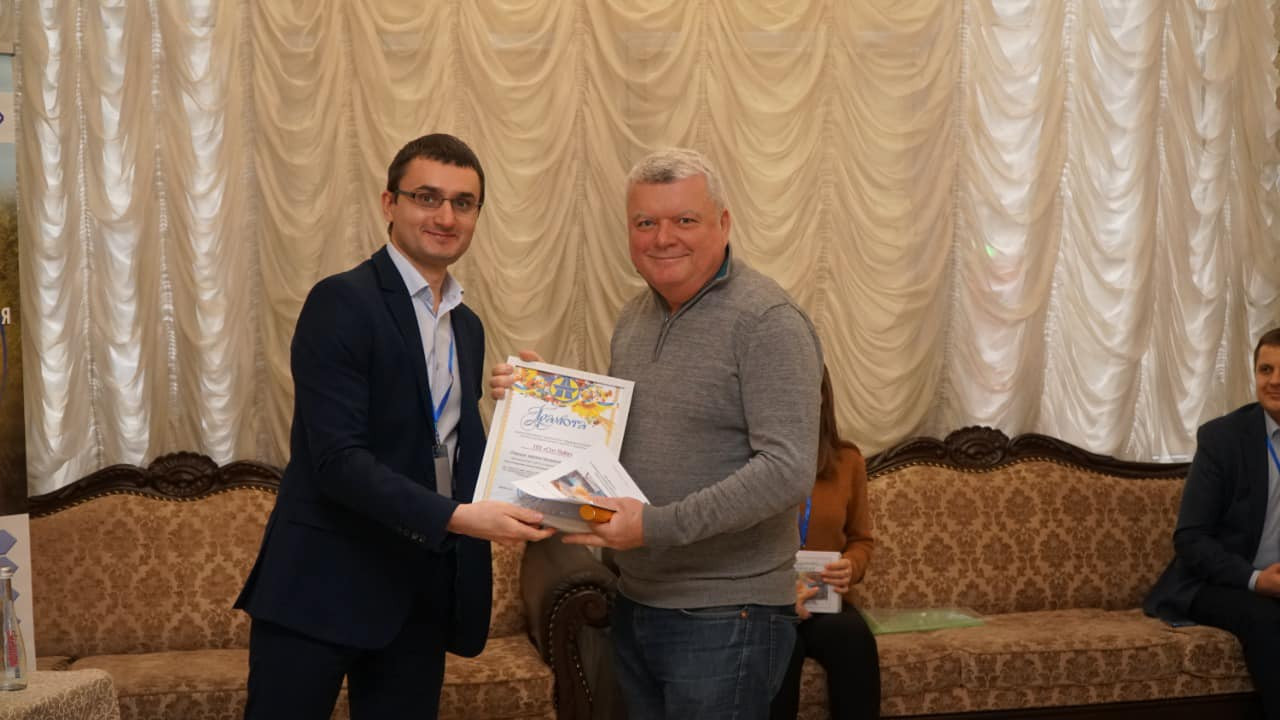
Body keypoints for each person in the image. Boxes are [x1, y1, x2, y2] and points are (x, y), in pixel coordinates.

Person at [493, 148, 823, 718]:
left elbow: (787, 470)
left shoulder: (768, 321)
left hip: (728, 614)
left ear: (724, 223)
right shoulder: (634, 318)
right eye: (645, 222)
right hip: (638, 599)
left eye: (684, 220)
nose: (663, 238)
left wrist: (655, 526)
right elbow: (625, 442)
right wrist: (546, 396)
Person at [236, 133, 554, 720]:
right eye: (427, 197)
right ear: (390, 203)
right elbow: (338, 461)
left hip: (418, 590)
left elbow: (445, 447)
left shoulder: (467, 327)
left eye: (463, 203)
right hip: (322, 583)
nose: (445, 217)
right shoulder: (341, 302)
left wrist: (530, 410)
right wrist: (458, 518)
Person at [1144, 327, 1280, 719]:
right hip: (1220, 581)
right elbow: (1191, 538)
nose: (1274, 380)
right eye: (1266, 369)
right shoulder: (1223, 439)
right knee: (1267, 618)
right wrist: (1256, 580)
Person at [770, 367, 880, 720]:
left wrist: (851, 565)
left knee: (854, 638)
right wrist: (782, 596)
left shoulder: (848, 460)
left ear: (822, 396)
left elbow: (861, 540)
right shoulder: (755, 460)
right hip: (770, 602)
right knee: (778, 651)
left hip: (825, 601)